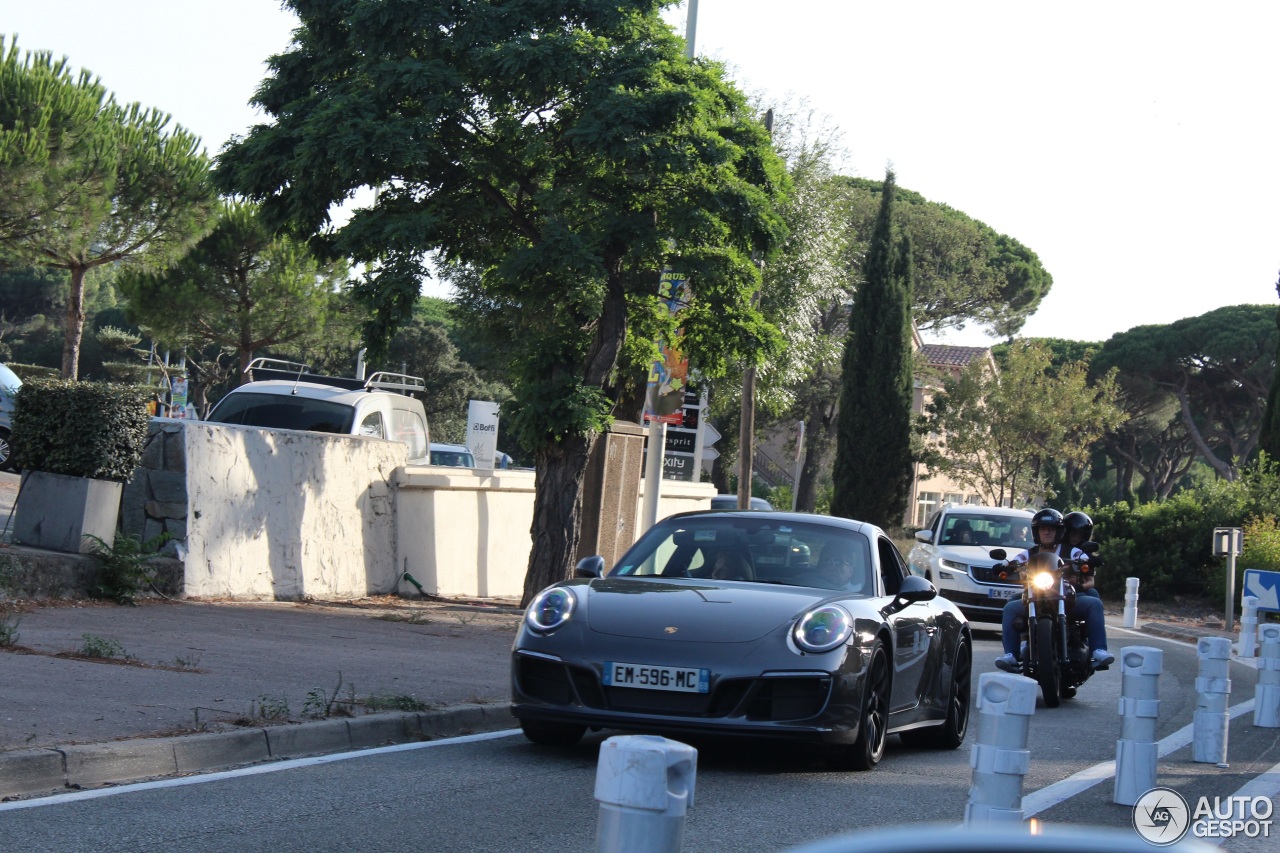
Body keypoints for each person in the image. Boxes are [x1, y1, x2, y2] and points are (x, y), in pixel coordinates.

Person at [994, 508, 1113, 672]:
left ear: (1059, 531)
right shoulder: (1030, 553)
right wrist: (1005, 567)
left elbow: (1083, 558)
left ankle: (1098, 651)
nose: (1047, 532)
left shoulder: (1070, 550)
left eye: (1051, 529)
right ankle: (1012, 655)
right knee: (1010, 608)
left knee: (1093, 603)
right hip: (1037, 596)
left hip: (1066, 597)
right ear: (1037, 532)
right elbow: (1016, 561)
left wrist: (1091, 561)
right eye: (1043, 529)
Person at [1062, 510, 1101, 600]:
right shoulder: (1058, 548)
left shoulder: (1086, 555)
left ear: (1084, 535)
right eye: (1072, 533)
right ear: (1066, 533)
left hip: (1077, 588)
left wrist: (1080, 587)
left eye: (1079, 534)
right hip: (1053, 586)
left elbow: (1091, 581)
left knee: (1093, 592)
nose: (1075, 537)